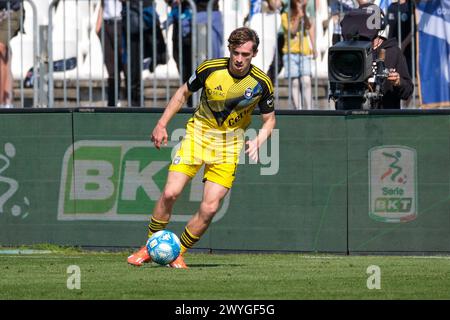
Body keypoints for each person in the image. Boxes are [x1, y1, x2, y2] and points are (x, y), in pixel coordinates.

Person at [127, 27, 276, 268]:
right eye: (236, 52)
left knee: (209, 208)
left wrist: (259, 140)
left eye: (245, 54)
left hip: (228, 146)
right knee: (169, 193)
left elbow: (269, 120)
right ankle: (148, 246)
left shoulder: (261, 83)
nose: (239, 59)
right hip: (198, 137)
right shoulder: (210, 69)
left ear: (254, 54)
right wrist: (162, 124)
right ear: (229, 49)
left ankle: (177, 252)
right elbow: (183, 92)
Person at [339, 2, 413, 109]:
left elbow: (407, 91)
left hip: (385, 116)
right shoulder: (349, 51)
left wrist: (398, 81)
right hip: (353, 114)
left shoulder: (393, 51)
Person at [165, 0, 223, 107]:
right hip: (182, 23)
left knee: (207, 65)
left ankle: (209, 104)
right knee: (184, 68)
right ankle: (192, 105)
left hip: (205, 16)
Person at [281, 0, 316, 110]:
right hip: (290, 53)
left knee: (306, 80)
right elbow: (292, 31)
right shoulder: (285, 16)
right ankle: (298, 109)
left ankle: (309, 108)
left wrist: (314, 47)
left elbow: (309, 26)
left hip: (304, 52)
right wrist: (298, 16)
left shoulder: (304, 14)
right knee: (294, 82)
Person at [96, 0, 123, 107]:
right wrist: (98, 25)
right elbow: (103, 3)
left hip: (122, 23)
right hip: (106, 24)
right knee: (111, 69)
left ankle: (135, 105)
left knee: (127, 67)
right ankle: (112, 104)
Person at [0, 0, 21, 108]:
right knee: (4, 58)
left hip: (11, 11)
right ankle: (6, 101)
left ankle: (3, 102)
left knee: (1, 47)